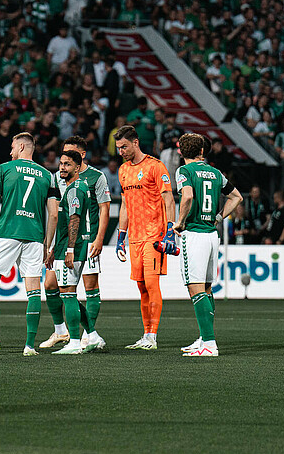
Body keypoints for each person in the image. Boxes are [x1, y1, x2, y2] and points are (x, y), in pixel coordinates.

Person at [0, 132, 60, 356]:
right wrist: (47, 242)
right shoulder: (48, 175)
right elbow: (53, 215)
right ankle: (29, 346)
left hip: (7, 232)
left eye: (13, 147)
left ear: (23, 147)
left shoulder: (5, 168)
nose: (10, 151)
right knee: (33, 290)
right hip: (34, 236)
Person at [164, 134, 242, 357]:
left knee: (195, 288)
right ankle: (203, 338)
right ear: (202, 152)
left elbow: (186, 196)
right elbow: (236, 197)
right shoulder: (215, 172)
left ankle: (209, 343)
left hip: (195, 233)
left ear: (182, 152)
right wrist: (218, 218)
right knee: (207, 289)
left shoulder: (184, 172)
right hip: (211, 233)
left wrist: (179, 222)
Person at [40, 135, 110, 350]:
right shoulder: (58, 178)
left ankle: (86, 336)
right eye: (62, 158)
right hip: (64, 242)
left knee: (85, 288)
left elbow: (103, 209)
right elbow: (56, 213)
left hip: (84, 241)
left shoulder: (95, 178)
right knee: (52, 285)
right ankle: (64, 332)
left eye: (69, 157)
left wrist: (98, 239)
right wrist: (52, 245)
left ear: (81, 156)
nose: (63, 163)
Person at [114, 125, 175, 350]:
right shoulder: (122, 170)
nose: (121, 151)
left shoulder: (156, 166)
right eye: (118, 147)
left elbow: (169, 199)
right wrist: (121, 236)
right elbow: (124, 205)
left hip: (154, 234)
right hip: (135, 237)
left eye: (124, 147)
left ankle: (153, 337)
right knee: (141, 286)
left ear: (136, 143)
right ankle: (146, 334)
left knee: (151, 283)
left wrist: (170, 230)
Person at [43, 149, 95, 355]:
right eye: (61, 163)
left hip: (72, 248)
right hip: (65, 245)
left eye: (67, 164)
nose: (62, 168)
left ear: (77, 167)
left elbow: (74, 220)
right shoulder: (75, 187)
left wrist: (69, 250)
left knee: (68, 293)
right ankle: (92, 335)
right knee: (69, 293)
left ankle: (74, 341)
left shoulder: (74, 189)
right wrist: (55, 249)